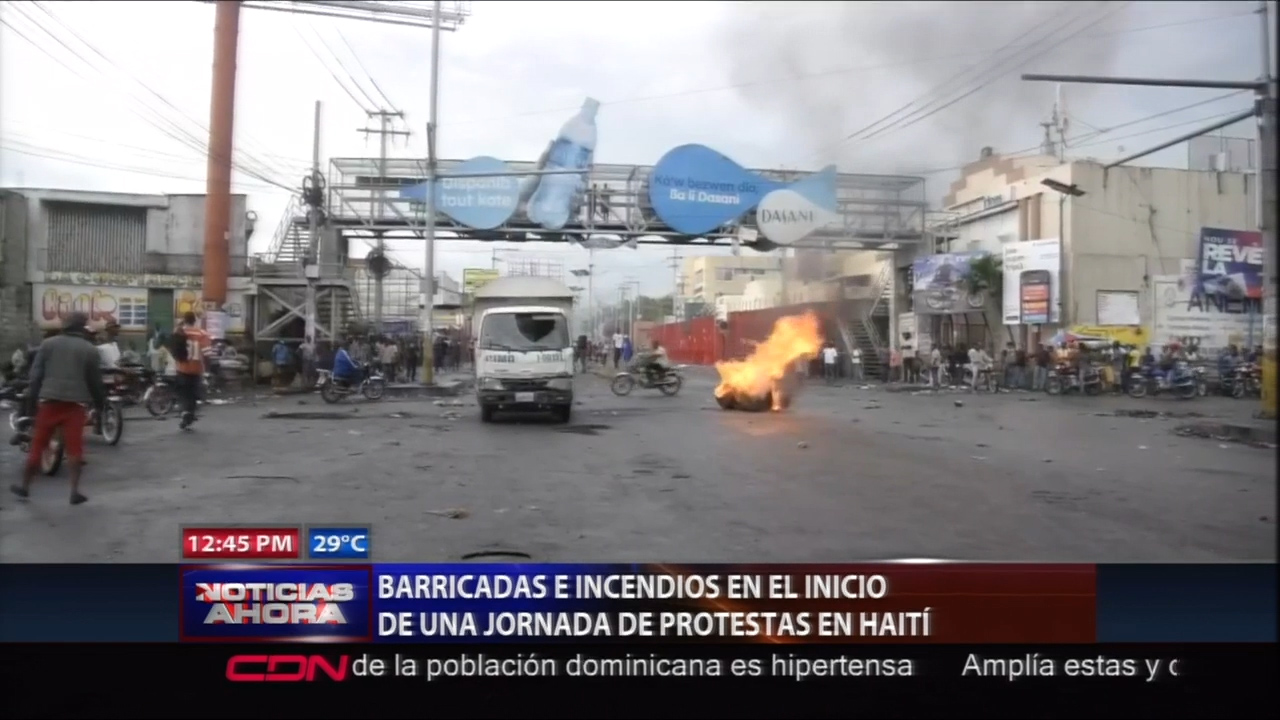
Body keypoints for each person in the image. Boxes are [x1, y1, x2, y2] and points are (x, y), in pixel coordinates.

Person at [11, 312, 106, 505]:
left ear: (65, 325)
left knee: (38, 445)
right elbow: (95, 382)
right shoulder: (90, 350)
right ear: (82, 327)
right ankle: (74, 491)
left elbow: (36, 376)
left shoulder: (48, 345)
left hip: (49, 403)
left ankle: (25, 488)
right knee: (75, 449)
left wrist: (32, 400)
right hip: (75, 406)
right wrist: (100, 404)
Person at [172, 312, 210, 430]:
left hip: (182, 367)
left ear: (185, 320)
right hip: (197, 368)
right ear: (195, 321)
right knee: (193, 393)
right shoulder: (202, 333)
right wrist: (208, 368)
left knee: (183, 392)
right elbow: (207, 353)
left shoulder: (179, 331)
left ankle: (185, 412)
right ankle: (189, 413)